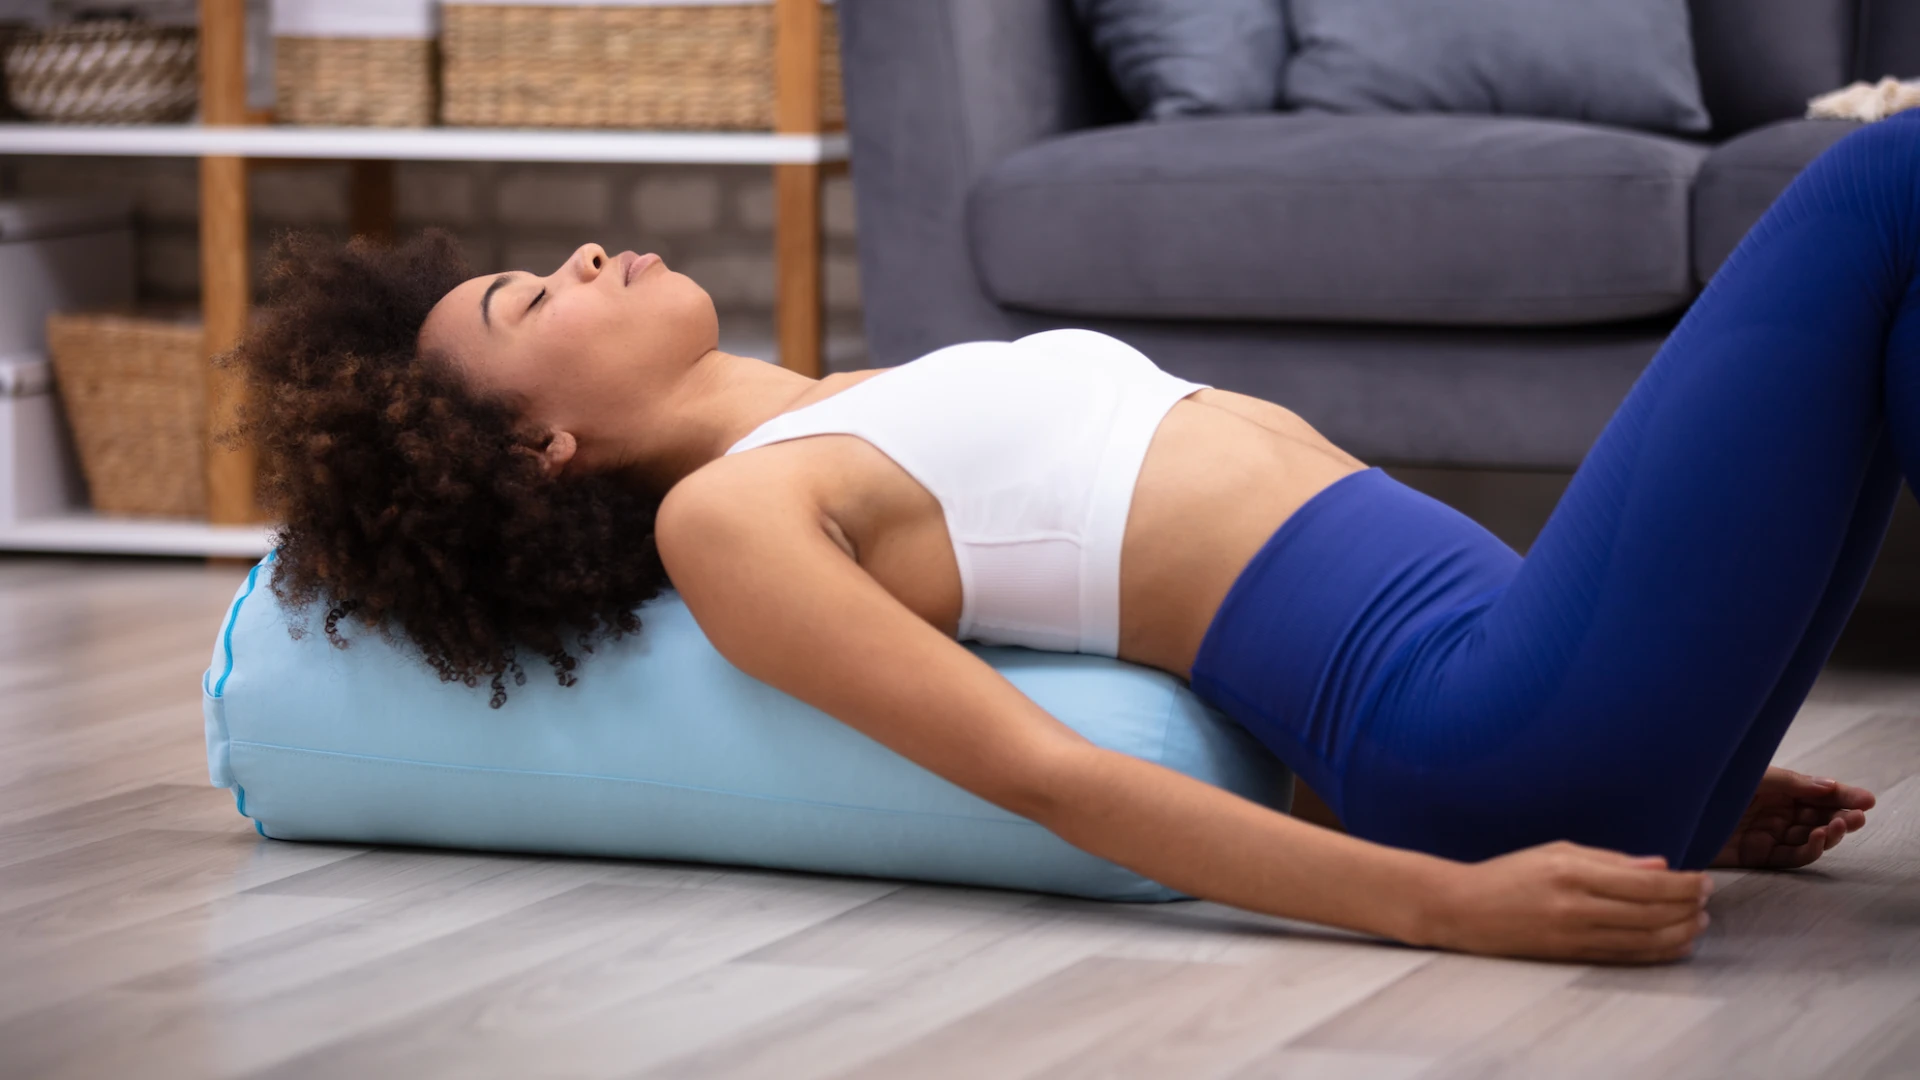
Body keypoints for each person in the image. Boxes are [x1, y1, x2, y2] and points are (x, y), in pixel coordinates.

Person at [229, 115, 1920, 966]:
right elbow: (1055, 774)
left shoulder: (850, 403)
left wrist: (1682, 711)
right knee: (1883, 174)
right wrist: (1449, 906)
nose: (589, 256)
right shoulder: (734, 519)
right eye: (535, 298)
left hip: (1551, 693)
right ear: (541, 443)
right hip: (1494, 745)